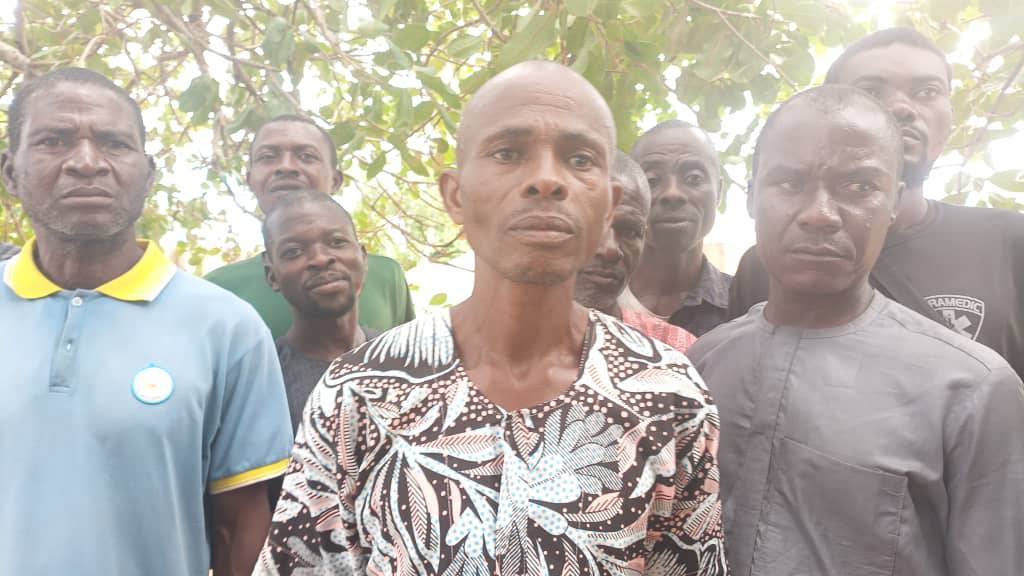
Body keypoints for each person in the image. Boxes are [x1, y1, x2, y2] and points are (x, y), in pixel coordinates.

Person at [257, 60, 727, 575]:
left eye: (579, 158)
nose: (547, 180)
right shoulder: (360, 392)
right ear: (455, 195)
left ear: (609, 206)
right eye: (508, 153)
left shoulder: (668, 393)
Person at [689, 84, 1024, 575]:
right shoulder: (702, 365)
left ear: (894, 203)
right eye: (789, 182)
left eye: (859, 187)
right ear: (751, 198)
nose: (820, 214)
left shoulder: (974, 393)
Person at [0, 68, 293, 575]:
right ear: (10, 171)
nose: (87, 163)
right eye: (54, 141)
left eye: (114, 144)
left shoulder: (226, 328)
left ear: (148, 173)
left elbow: (240, 528)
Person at [728, 27, 1024, 379]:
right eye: (871, 91)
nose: (902, 107)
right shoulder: (766, 265)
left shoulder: (1008, 242)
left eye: (927, 91)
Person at [205, 114, 415, 339]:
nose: (286, 167)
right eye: (268, 157)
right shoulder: (217, 289)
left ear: (335, 180)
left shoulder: (386, 276)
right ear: (251, 181)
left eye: (306, 156)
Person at [262, 189, 380, 432]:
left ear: (363, 257)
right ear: (272, 275)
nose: (320, 259)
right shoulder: (264, 385)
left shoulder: (407, 362)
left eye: (337, 242)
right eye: (293, 251)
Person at [574, 150, 696, 352]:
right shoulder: (504, 350)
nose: (610, 249)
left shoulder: (678, 353)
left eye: (629, 231)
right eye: (591, 226)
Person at [628, 119, 731, 337]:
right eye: (652, 180)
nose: (672, 193)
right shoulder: (589, 298)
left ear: (719, 192)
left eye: (694, 178)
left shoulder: (744, 309)